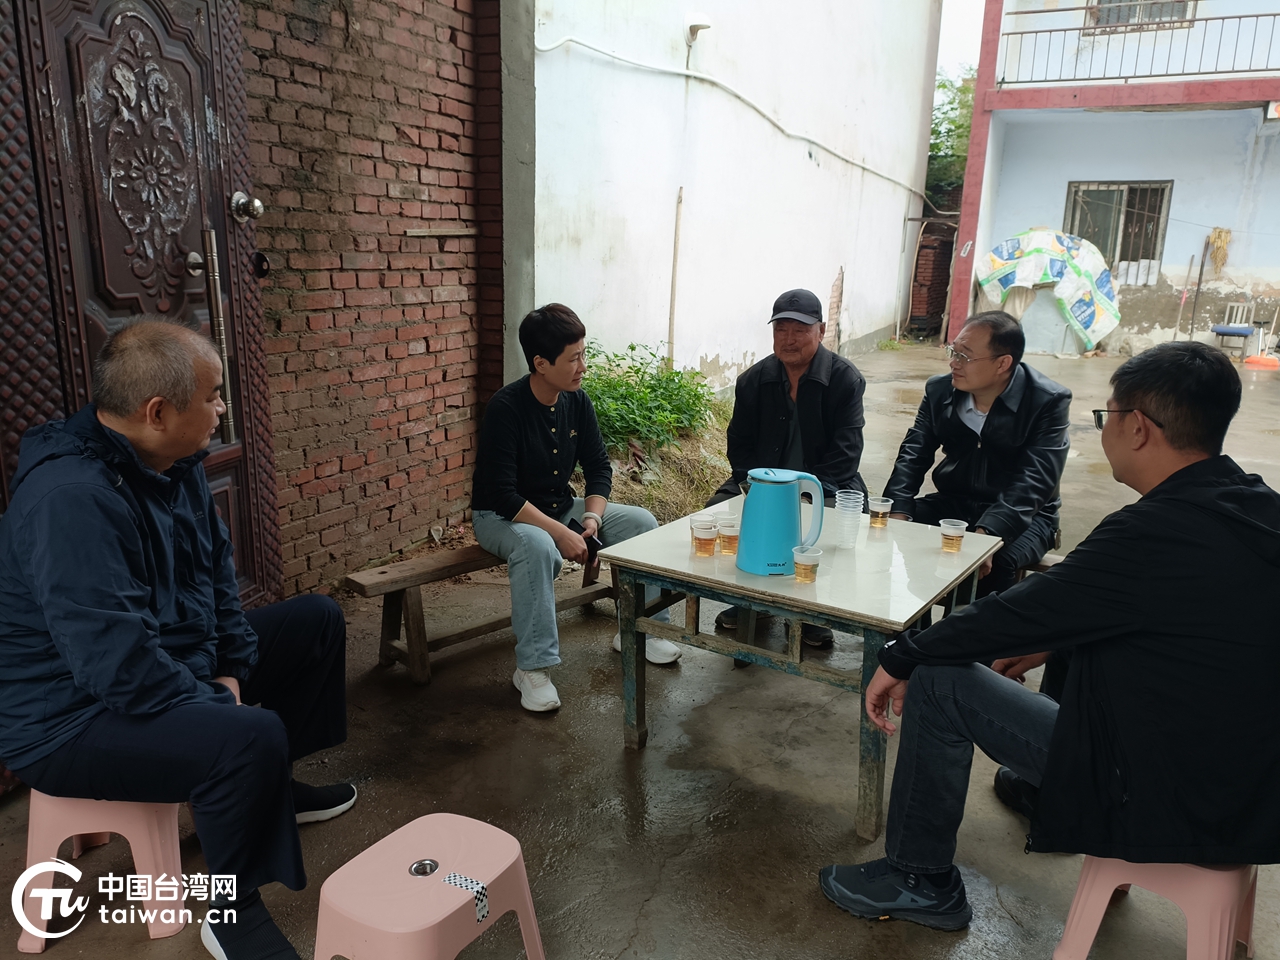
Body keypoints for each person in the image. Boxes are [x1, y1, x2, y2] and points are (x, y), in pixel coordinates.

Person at [818, 341, 1280, 931]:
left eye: (1108, 416)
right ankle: (1040, 791)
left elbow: (1012, 615)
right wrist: (1057, 637)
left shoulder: (1151, 533)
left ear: (1138, 427)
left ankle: (920, 879)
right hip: (1252, 788)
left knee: (938, 679)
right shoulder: (1258, 508)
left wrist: (903, 652)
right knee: (1078, 637)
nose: (1104, 429)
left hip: (1169, 794)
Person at [0, 317, 354, 960]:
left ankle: (271, 790)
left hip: (160, 661)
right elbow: (117, 668)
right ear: (158, 411)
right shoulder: (71, 499)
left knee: (316, 622)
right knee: (245, 736)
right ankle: (233, 913)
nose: (222, 410)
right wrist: (219, 704)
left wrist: (230, 669)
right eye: (213, 396)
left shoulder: (172, 461)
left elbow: (217, 578)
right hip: (67, 717)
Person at [471, 303, 681, 713]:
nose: (583, 366)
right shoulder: (505, 409)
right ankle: (533, 669)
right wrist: (559, 532)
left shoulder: (576, 400)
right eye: (574, 358)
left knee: (642, 522)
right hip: (501, 517)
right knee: (537, 547)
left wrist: (591, 517)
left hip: (560, 507)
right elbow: (502, 495)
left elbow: (598, 466)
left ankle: (641, 630)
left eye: (583, 354)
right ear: (541, 363)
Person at [708, 288, 868, 647]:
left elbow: (846, 454)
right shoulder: (753, 380)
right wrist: (758, 489)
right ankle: (749, 600)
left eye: (800, 330)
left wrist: (807, 494)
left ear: (821, 331)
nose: (789, 339)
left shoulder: (845, 380)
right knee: (720, 510)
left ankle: (810, 610)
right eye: (781, 329)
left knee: (825, 522)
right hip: (764, 484)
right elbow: (739, 446)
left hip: (825, 484)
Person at [883, 311, 1071, 598]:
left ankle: (979, 625)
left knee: (996, 562)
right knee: (888, 531)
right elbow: (913, 453)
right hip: (955, 503)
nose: (953, 363)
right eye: (953, 351)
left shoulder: (1047, 400)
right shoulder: (940, 390)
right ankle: (914, 623)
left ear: (1003, 363)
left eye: (965, 356)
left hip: (1028, 515)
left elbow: (1034, 481)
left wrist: (987, 536)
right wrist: (898, 510)